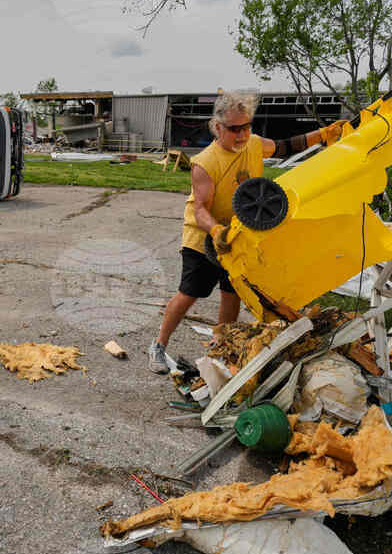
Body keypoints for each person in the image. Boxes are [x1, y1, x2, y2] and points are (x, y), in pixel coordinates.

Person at [148, 90, 346, 373]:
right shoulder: (205, 162)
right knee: (190, 292)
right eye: (234, 129)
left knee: (232, 293)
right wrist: (217, 231)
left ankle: (219, 351)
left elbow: (283, 146)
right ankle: (158, 345)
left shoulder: (253, 144)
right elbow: (200, 209)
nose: (241, 135)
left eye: (246, 127)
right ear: (218, 127)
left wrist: (324, 133)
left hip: (241, 234)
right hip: (203, 236)